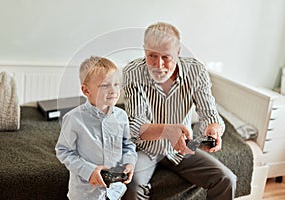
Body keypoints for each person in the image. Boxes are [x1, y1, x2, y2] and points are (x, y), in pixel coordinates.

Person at [122, 22, 237, 200]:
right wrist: (167, 131)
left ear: (178, 52)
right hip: (144, 148)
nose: (158, 65)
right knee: (131, 186)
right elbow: (135, 125)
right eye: (152, 55)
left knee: (226, 179)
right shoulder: (132, 72)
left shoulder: (196, 71)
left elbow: (209, 113)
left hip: (182, 148)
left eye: (166, 57)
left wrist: (214, 128)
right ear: (144, 50)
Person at [55, 56, 138, 200]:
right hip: (86, 194)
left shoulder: (121, 116)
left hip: (115, 192)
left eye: (116, 84)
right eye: (105, 85)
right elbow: (63, 151)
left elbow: (128, 145)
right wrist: (89, 171)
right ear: (86, 91)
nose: (113, 90)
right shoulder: (74, 119)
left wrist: (129, 163)